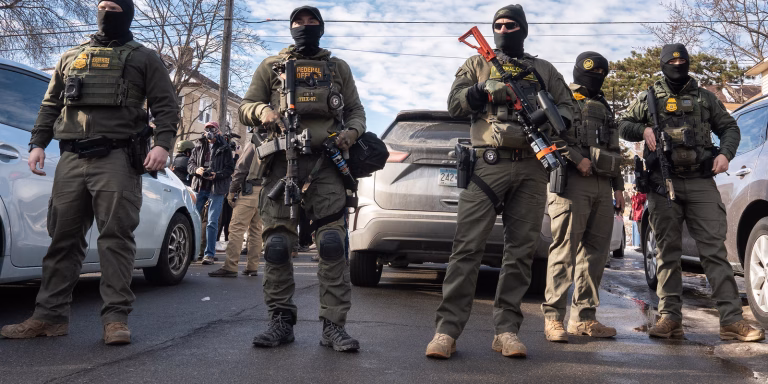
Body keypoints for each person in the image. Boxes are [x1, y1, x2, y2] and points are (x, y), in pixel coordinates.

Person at [0, 0, 178, 345]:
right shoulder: (71, 57)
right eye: (101, 5)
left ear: (126, 13)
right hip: (70, 158)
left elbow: (166, 105)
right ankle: (49, 317)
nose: (105, 11)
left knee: (115, 239)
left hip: (116, 157)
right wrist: (38, 142)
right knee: (62, 239)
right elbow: (51, 103)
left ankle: (115, 319)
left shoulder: (143, 57)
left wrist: (163, 145)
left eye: (113, 6)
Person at [426, 4, 575, 359]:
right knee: (467, 248)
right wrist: (476, 92)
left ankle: (506, 331)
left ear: (523, 29)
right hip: (487, 164)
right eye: (499, 24)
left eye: (511, 24)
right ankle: (446, 331)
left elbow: (569, 110)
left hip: (531, 167)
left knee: (520, 253)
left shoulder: (544, 70)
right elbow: (454, 105)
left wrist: (548, 115)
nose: (505, 29)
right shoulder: (477, 63)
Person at [238, 5, 365, 352]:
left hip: (326, 165)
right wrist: (262, 111)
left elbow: (356, 111)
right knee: (277, 246)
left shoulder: (338, 68)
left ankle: (333, 326)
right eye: (299, 21)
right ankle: (280, 321)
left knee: (332, 245)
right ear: (290, 27)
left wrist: (351, 134)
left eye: (312, 22)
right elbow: (245, 105)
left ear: (321, 27)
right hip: (280, 164)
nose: (305, 26)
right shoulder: (271, 67)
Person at [619, 43, 764, 342]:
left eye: (682, 60)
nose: (677, 64)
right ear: (662, 64)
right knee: (667, 253)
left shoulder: (705, 98)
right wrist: (642, 131)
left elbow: (730, 128)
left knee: (714, 251)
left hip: (701, 180)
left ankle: (731, 321)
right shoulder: (647, 99)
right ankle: (670, 318)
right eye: (671, 61)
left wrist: (725, 154)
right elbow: (623, 124)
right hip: (663, 183)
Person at [540, 52, 623, 343]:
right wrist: (577, 159)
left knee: (595, 255)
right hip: (572, 182)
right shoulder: (562, 97)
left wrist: (619, 186)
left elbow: (614, 147)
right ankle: (553, 319)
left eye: (602, 71)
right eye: (591, 70)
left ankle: (584, 319)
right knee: (564, 252)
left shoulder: (604, 105)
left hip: (602, 184)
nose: (596, 75)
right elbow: (547, 133)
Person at [208, 142, 264, 277]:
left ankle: (230, 266)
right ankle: (252, 266)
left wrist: (232, 191)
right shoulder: (275, 142)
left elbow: (241, 169)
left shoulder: (254, 144)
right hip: (264, 192)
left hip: (248, 191)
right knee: (256, 231)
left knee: (236, 229)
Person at [188, 121, 234, 265]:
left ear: (218, 131)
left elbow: (229, 169)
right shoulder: (198, 146)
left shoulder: (225, 148)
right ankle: (191, 252)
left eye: (212, 129)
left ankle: (209, 254)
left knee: (212, 222)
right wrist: (197, 170)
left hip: (217, 188)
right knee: (193, 220)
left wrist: (217, 175)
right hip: (200, 187)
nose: (209, 131)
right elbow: (189, 164)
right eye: (207, 129)